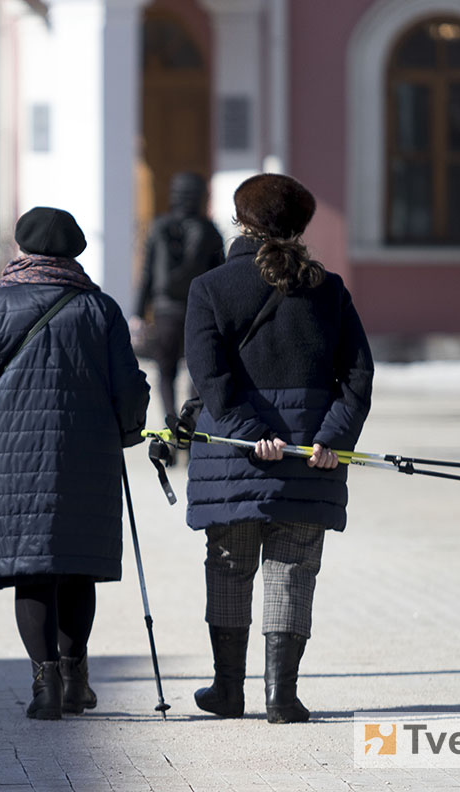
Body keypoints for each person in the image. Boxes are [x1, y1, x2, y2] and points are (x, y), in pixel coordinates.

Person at [0, 206, 150, 720]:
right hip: (88, 455)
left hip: (14, 458)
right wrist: (129, 432)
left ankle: (46, 688)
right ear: (74, 250)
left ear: (22, 248)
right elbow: (130, 386)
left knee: (33, 569)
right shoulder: (101, 310)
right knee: (77, 566)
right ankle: (77, 680)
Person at [182, 174, 373, 723]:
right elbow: (359, 377)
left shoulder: (211, 288)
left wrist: (247, 434)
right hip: (309, 460)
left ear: (241, 222)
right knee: (292, 569)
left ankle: (228, 690)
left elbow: (211, 380)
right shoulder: (329, 289)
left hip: (232, 459)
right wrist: (330, 440)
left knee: (229, 566)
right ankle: (281, 696)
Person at [132, 172, 224, 426]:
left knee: (165, 371)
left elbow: (147, 274)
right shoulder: (210, 231)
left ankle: (171, 424)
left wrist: (138, 313)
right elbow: (220, 275)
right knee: (198, 371)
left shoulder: (158, 227)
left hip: (165, 312)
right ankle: (191, 427)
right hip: (200, 311)